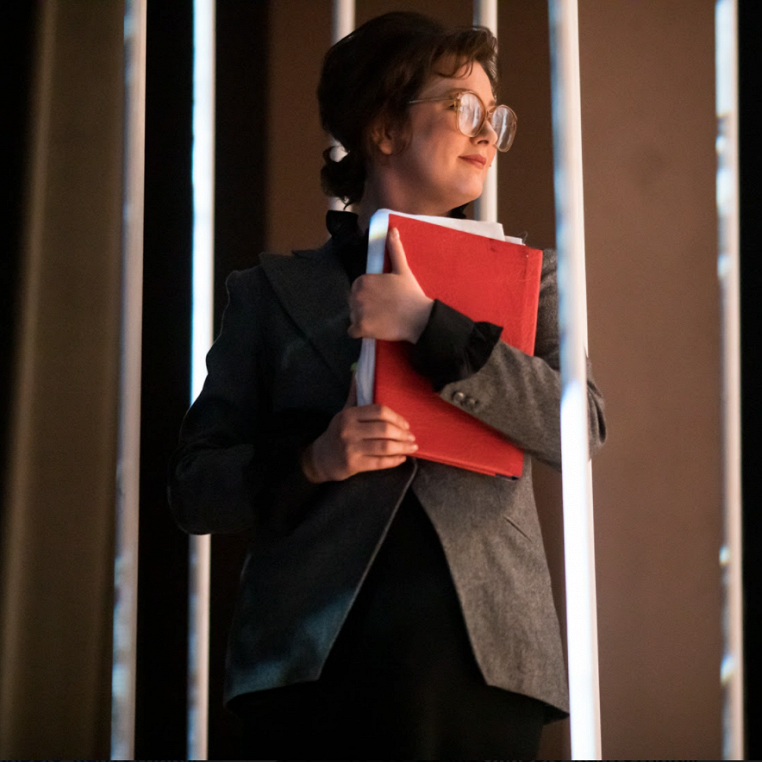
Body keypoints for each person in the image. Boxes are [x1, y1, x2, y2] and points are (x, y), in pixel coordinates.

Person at [168, 10, 606, 759]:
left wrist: (431, 325)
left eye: (494, 116)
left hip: (485, 663)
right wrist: (312, 460)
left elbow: (580, 429)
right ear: (383, 127)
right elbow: (193, 490)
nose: (486, 133)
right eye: (461, 106)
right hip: (312, 664)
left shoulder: (531, 282)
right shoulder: (270, 293)